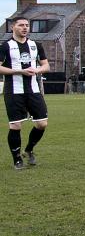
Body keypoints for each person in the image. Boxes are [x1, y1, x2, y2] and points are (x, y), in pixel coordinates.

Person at [1, 17, 50, 170]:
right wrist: (19, 71)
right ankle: (16, 159)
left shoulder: (36, 45)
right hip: (14, 91)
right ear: (12, 27)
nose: (25, 28)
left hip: (33, 90)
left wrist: (37, 70)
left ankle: (28, 150)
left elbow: (46, 65)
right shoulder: (5, 46)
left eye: (27, 25)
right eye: (21, 25)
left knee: (42, 124)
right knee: (16, 125)